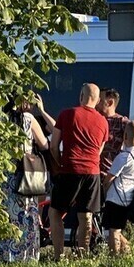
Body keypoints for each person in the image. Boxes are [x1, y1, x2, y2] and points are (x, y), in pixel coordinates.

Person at [49, 83, 109, 257]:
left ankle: (58, 256)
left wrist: (60, 165)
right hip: (92, 173)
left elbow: (54, 146)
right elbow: (99, 151)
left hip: (70, 169)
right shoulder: (103, 122)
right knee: (86, 217)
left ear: (81, 96)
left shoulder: (67, 114)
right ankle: (83, 256)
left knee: (56, 213)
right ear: (98, 100)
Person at [0, 97, 50, 262]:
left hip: (5, 172)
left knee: (5, 212)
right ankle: (26, 255)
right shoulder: (28, 119)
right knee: (26, 213)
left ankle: (4, 253)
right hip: (25, 172)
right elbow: (44, 145)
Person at [102, 120, 134, 255]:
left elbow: (109, 179)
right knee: (118, 230)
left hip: (117, 198)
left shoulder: (123, 157)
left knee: (113, 231)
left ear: (125, 137)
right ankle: (128, 254)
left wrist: (105, 192)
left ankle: (114, 259)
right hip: (130, 198)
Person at [96, 88, 134, 175]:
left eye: (100, 100)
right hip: (95, 172)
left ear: (110, 103)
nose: (96, 103)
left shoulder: (121, 122)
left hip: (110, 174)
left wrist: (129, 157)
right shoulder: (97, 119)